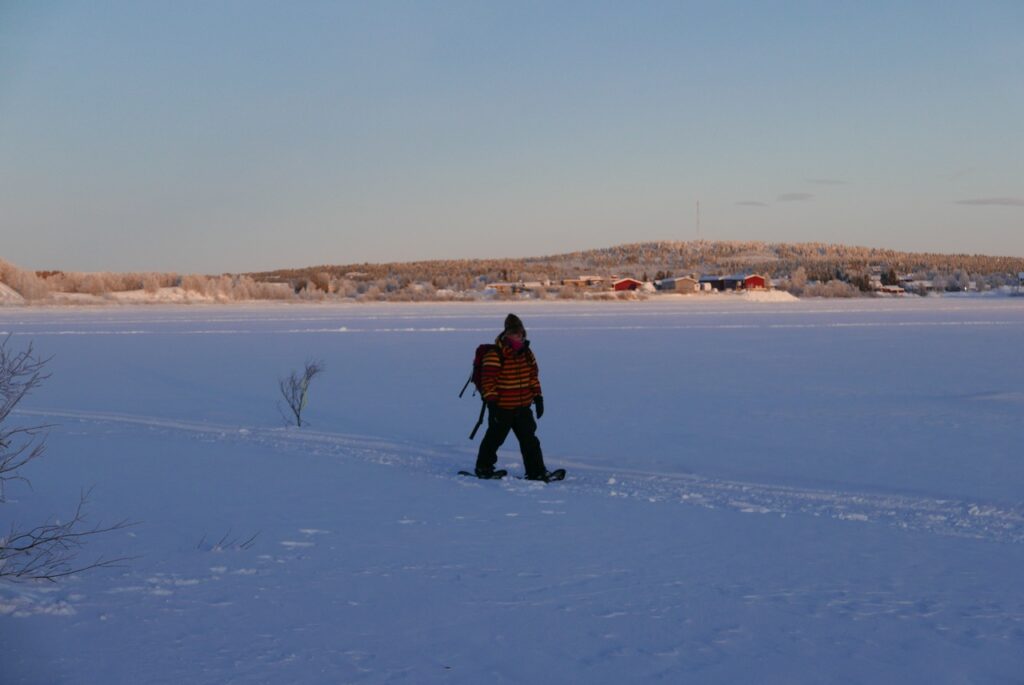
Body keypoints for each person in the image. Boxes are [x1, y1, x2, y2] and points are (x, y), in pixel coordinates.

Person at [474, 313, 557, 481]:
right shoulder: (495, 354)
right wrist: (492, 402)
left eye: (520, 333)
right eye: (514, 333)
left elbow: (533, 376)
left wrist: (538, 397)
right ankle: (484, 468)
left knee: (530, 441)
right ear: (506, 334)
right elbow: (488, 380)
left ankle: (536, 471)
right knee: (494, 439)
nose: (518, 336)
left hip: (523, 407)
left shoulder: (527, 353)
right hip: (502, 407)